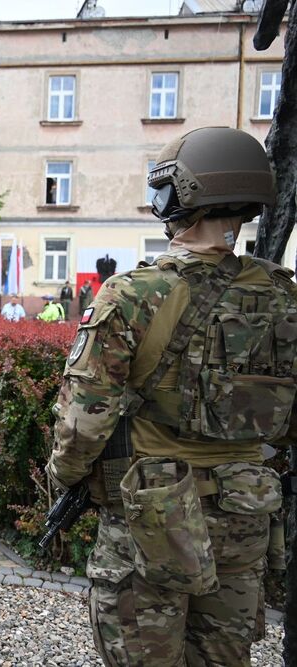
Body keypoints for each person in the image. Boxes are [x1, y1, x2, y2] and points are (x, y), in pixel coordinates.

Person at [47, 127, 290, 665]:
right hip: (247, 510)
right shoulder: (284, 294)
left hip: (153, 513)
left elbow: (85, 422)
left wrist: (63, 476)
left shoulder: (133, 293)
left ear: (181, 196)